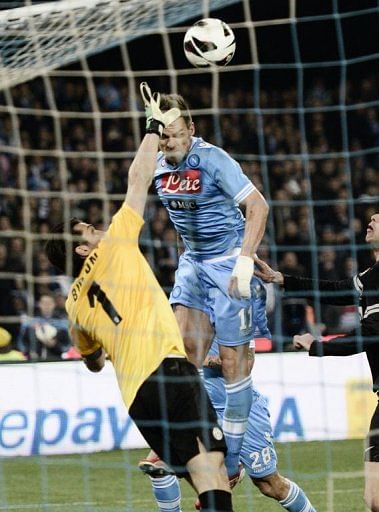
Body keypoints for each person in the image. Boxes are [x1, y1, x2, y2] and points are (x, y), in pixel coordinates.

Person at [45, 83, 233, 512]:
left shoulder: (73, 305)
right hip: (168, 371)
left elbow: (92, 362)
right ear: (82, 248)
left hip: (136, 399)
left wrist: (110, 345)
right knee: (213, 469)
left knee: (199, 477)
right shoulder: (115, 245)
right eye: (87, 230)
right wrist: (151, 126)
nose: (97, 229)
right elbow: (138, 177)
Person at [152, 91, 269, 477]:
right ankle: (185, 441)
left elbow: (258, 206)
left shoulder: (214, 160)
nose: (169, 141)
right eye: (162, 135)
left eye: (175, 133)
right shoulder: (155, 167)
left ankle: (232, 460)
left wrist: (246, 257)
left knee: (234, 364)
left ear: (192, 130)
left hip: (229, 264)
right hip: (193, 262)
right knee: (182, 352)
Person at [140, 289, 317, 512]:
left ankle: (234, 466)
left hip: (240, 410)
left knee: (270, 484)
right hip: (199, 407)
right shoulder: (180, 308)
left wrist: (201, 361)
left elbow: (246, 364)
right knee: (158, 466)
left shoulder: (234, 311)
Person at [254, 212, 379, 512]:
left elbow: (371, 335)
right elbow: (335, 291)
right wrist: (282, 279)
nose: (372, 219)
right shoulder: (371, 277)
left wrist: (317, 346)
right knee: (374, 499)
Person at [17, 294, 70, 360]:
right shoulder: (30, 321)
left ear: (54, 304)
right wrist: (29, 351)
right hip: (34, 360)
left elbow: (67, 345)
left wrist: (55, 345)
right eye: (44, 303)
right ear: (39, 304)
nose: (46, 306)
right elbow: (22, 343)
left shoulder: (62, 322)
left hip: (56, 360)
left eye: (49, 303)